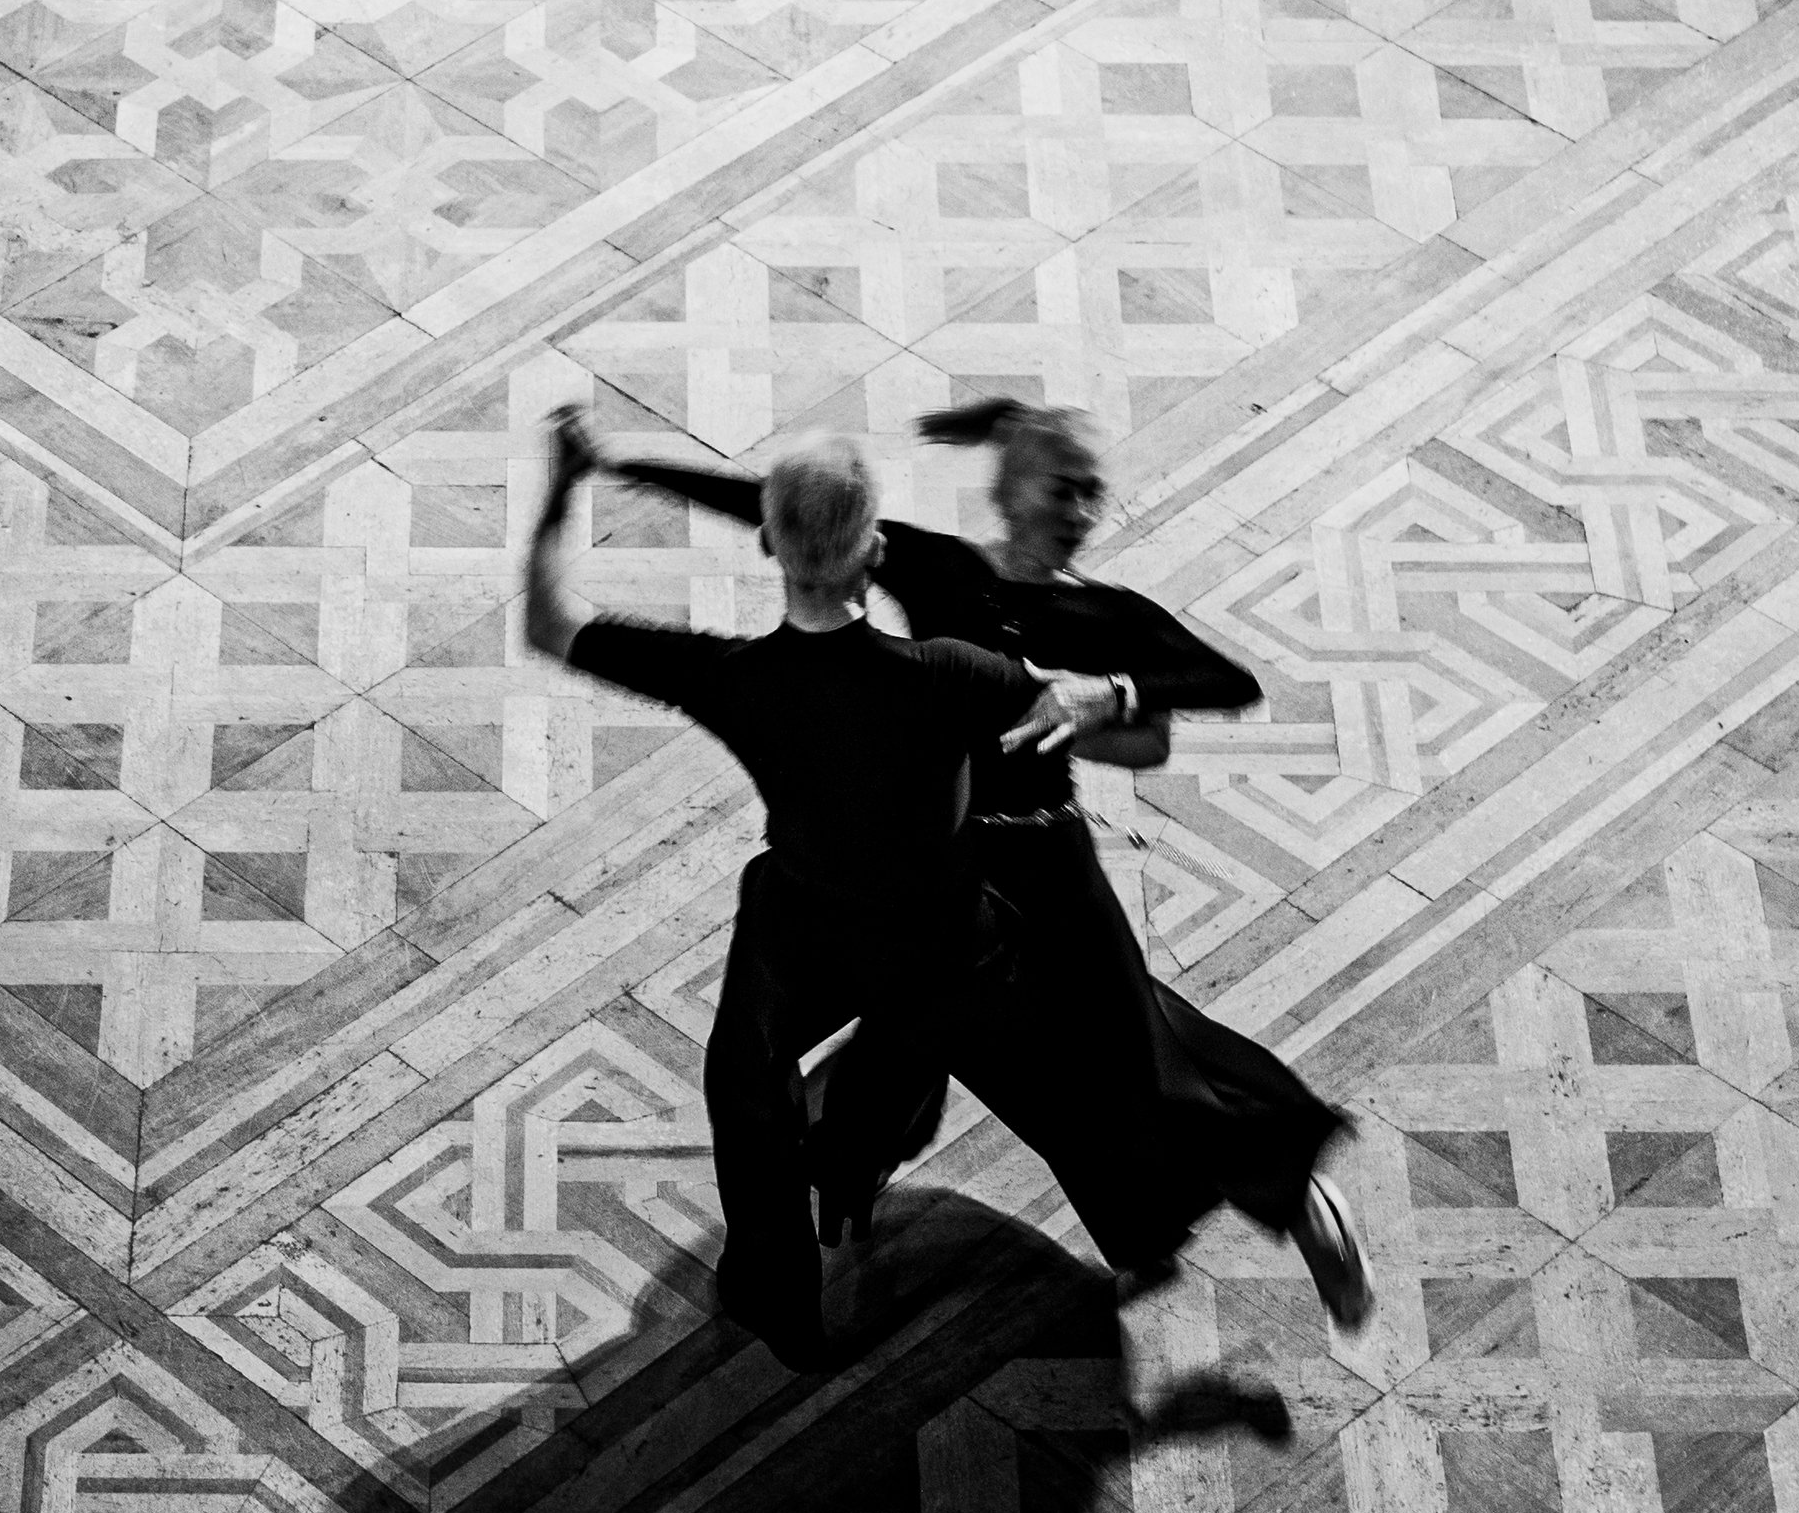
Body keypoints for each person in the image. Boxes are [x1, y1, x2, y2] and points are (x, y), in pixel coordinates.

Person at [585, 398, 1375, 1332]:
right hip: (953, 867)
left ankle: (1296, 1202)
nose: (1079, 509)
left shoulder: (1107, 614)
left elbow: (1227, 682)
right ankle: (847, 1165)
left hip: (1049, 865)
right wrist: (634, 467)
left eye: (1093, 493)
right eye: (1062, 485)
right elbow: (789, 509)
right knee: (926, 1033)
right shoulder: (936, 565)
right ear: (1011, 487)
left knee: (1143, 1057)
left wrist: (1109, 693)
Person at [521, 406, 1122, 1370]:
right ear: (872, 549)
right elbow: (1072, 705)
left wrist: (561, 490)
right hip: (934, 937)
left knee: (743, 1070)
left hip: (808, 924)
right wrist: (1117, 692)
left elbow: (549, 624)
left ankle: (778, 1290)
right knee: (933, 1001)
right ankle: (855, 1148)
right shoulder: (952, 674)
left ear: (769, 545)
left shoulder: (734, 678)